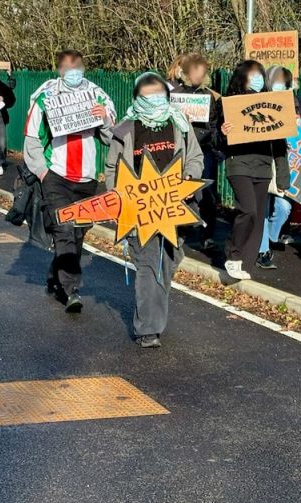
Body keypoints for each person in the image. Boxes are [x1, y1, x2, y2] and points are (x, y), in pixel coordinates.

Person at [106, 72, 203, 347]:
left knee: (168, 263)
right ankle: (148, 329)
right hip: (139, 210)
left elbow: (195, 157)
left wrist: (189, 177)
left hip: (175, 207)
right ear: (136, 98)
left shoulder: (181, 125)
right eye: (147, 97)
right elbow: (113, 167)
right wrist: (117, 202)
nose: (154, 101)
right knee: (148, 265)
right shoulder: (125, 129)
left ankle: (153, 315)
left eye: (158, 95)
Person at [23, 49, 116, 313]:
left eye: (77, 67)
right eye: (67, 67)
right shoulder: (45, 98)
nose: (73, 72)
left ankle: (56, 277)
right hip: (57, 176)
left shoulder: (98, 96)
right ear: (60, 70)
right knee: (64, 230)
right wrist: (42, 172)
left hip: (86, 179)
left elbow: (113, 137)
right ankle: (71, 289)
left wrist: (104, 119)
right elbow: (32, 138)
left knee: (77, 234)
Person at [219, 60, 289, 280]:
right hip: (238, 164)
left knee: (258, 217)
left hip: (263, 166)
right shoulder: (228, 104)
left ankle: (245, 264)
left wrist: (283, 177)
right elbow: (216, 142)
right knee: (248, 210)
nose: (257, 79)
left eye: (260, 75)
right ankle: (233, 255)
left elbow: (279, 143)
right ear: (242, 78)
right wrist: (223, 133)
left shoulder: (272, 104)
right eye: (252, 75)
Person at [171, 53, 223, 250]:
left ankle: (207, 234)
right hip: (180, 150)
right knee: (179, 189)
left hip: (204, 149)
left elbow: (214, 124)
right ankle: (178, 230)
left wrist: (210, 135)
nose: (199, 76)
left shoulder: (209, 97)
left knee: (207, 193)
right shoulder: (175, 95)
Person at [256, 65, 301, 270]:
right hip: (262, 161)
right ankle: (262, 250)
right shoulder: (259, 100)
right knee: (262, 209)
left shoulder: (296, 103)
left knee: (283, 208)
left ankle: (266, 239)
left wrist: (298, 123)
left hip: (282, 163)